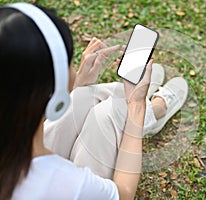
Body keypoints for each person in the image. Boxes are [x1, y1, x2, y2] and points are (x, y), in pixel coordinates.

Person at [0, 3, 188, 200]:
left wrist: (78, 86)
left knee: (83, 97)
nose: (73, 69)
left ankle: (140, 107)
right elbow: (123, 194)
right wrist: (136, 107)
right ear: (52, 91)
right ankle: (154, 111)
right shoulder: (72, 185)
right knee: (109, 113)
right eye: (70, 64)